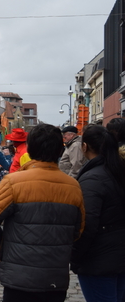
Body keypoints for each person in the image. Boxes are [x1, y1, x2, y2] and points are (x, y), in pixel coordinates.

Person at [0, 123, 85, 302]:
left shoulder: (14, 182)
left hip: (19, 277)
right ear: (60, 150)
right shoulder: (73, 186)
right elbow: (78, 230)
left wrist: (6, 245)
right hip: (54, 276)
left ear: (31, 149)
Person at [70, 125, 125, 301]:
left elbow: (87, 224)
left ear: (85, 147)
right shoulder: (117, 171)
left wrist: (75, 257)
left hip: (99, 261)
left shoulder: (93, 178)